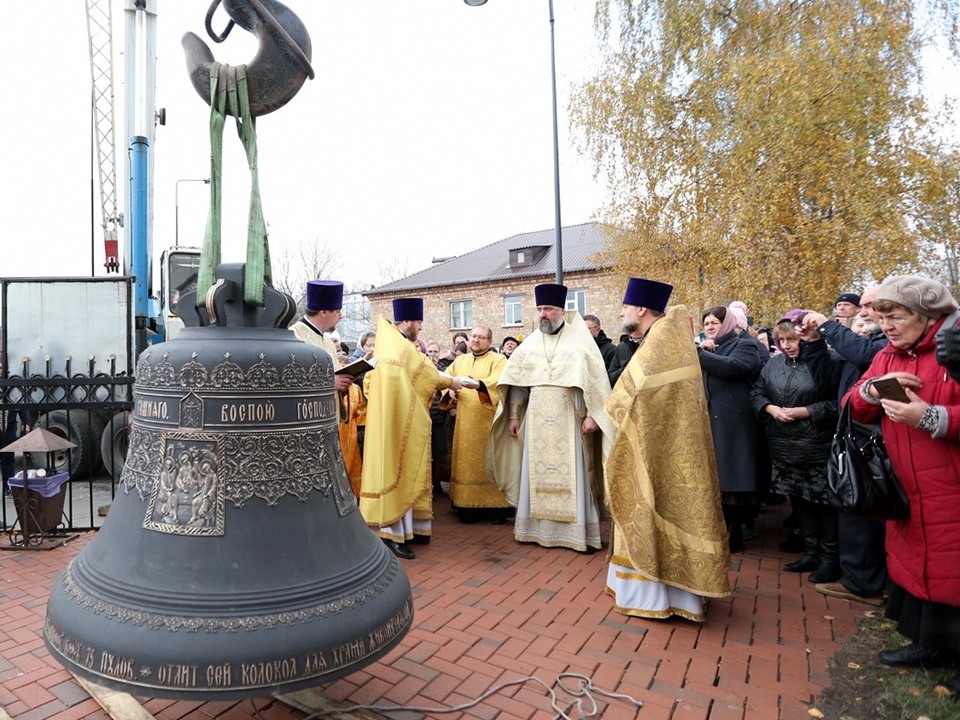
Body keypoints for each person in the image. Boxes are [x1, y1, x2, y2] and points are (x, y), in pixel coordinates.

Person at [844, 276, 960, 669]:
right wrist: (872, 391)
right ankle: (930, 644)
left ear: (927, 316)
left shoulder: (954, 352)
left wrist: (930, 417)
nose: (886, 327)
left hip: (951, 484)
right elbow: (853, 404)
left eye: (894, 317)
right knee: (923, 566)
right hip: (908, 485)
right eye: (881, 318)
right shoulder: (888, 356)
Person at [603, 277, 731, 621]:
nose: (622, 312)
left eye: (625, 306)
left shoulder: (660, 340)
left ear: (641, 309)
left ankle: (657, 597)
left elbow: (627, 396)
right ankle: (678, 594)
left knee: (652, 504)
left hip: (660, 444)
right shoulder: (664, 336)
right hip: (665, 442)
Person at [488, 283, 615, 552]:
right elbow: (520, 384)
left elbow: (597, 384)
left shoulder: (581, 341)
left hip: (570, 418)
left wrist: (594, 415)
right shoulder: (531, 342)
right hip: (535, 419)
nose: (544, 314)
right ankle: (535, 531)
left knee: (575, 475)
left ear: (561, 310)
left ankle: (578, 535)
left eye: (549, 309)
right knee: (535, 474)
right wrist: (514, 416)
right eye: (540, 309)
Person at [801, 286, 889, 606]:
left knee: (861, 508)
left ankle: (864, 581)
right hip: (852, 436)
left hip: (870, 440)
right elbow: (826, 378)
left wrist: (827, 325)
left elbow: (864, 355)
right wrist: (812, 345)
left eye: (868, 307)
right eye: (862, 307)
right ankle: (858, 576)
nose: (862, 314)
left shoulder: (882, 345)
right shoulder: (862, 345)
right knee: (851, 507)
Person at [360, 298, 463, 560]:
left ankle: (411, 529)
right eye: (418, 322)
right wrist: (453, 381)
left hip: (399, 417)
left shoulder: (397, 344)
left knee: (405, 470)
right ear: (407, 321)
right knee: (395, 471)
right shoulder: (398, 347)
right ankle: (391, 534)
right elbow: (425, 376)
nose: (420, 327)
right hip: (394, 422)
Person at [751, 313, 842, 584]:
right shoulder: (773, 364)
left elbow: (838, 402)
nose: (788, 345)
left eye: (794, 339)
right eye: (782, 339)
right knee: (799, 501)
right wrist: (769, 408)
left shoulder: (826, 362)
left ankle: (830, 559)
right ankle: (810, 552)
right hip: (782, 445)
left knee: (822, 504)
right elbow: (757, 392)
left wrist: (807, 411)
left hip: (816, 446)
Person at [697, 305, 766, 552]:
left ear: (727, 324)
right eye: (706, 324)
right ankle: (724, 527)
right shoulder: (706, 347)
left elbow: (734, 367)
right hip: (712, 420)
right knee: (719, 478)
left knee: (734, 479)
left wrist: (700, 355)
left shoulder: (744, 344)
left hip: (735, 422)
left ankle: (736, 530)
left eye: (715, 323)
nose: (710, 327)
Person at [443, 325, 510, 523]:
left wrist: (480, 385)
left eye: (481, 337)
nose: (475, 340)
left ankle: (496, 508)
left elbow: (499, 382)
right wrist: (450, 391)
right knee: (466, 463)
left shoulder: (499, 360)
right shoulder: (460, 360)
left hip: (488, 423)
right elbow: (446, 379)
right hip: (464, 423)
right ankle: (466, 506)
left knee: (490, 462)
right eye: (473, 336)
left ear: (490, 341)